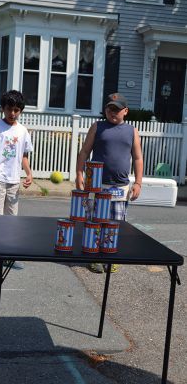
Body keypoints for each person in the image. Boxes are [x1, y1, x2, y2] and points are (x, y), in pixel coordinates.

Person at [76, 93, 143, 273]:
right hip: (97, 185)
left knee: (115, 224)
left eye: (117, 109)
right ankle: (94, 257)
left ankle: (110, 257)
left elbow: (137, 158)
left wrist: (138, 183)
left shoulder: (132, 131)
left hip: (120, 188)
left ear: (125, 111)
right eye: (109, 108)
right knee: (95, 222)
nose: (112, 112)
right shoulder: (97, 127)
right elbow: (84, 152)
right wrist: (79, 174)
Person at [0, 90, 33, 273]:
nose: (13, 113)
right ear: (3, 108)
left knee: (11, 219)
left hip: (14, 180)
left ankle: (9, 255)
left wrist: (28, 173)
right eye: (9, 109)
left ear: (21, 111)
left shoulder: (23, 131)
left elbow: (24, 156)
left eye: (17, 110)